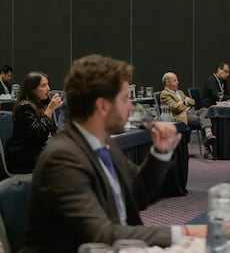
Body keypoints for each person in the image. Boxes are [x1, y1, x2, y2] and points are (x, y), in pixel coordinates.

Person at [23, 55, 206, 252]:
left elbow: (139, 191)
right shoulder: (62, 159)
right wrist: (183, 233)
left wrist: (160, 152)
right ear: (102, 106)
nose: (131, 107)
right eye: (125, 99)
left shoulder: (103, 143)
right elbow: (102, 235)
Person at [7, 71, 62, 173]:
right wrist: (50, 109)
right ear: (32, 89)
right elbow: (40, 132)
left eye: (47, 84)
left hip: (38, 152)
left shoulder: (38, 105)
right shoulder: (25, 107)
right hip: (26, 158)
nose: (48, 89)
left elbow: (51, 130)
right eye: (43, 85)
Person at [160, 72, 216, 160]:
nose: (178, 82)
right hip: (182, 115)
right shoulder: (164, 94)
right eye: (175, 81)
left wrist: (182, 102)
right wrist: (185, 101)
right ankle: (207, 148)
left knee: (205, 110)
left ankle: (208, 135)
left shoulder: (179, 92)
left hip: (191, 111)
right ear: (168, 83)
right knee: (203, 120)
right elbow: (176, 108)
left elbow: (193, 101)